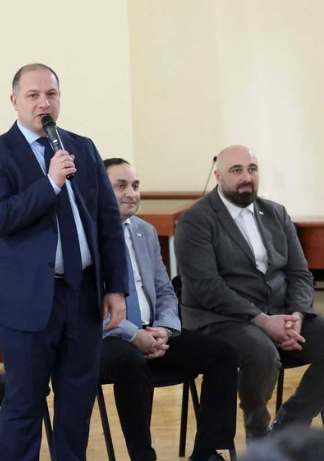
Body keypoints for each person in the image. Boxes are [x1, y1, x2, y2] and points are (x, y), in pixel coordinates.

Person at [0, 63, 129, 461]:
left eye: (51, 94)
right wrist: (50, 183)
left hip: (83, 292)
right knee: (25, 402)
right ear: (14, 101)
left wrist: (115, 287)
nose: (44, 103)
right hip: (26, 300)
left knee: (77, 401)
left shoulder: (83, 147)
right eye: (33, 95)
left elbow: (108, 221)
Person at [175, 145, 324, 441]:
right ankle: (258, 435)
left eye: (252, 169)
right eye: (236, 170)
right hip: (222, 319)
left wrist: (297, 316)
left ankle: (286, 429)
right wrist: (262, 320)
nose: (246, 177)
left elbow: (300, 273)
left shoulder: (275, 212)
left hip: (281, 313)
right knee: (261, 352)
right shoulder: (195, 220)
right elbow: (206, 287)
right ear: (218, 176)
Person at [101, 158, 237, 461]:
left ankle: (207, 453)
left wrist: (165, 329)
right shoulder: (87, 235)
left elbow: (164, 289)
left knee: (223, 354)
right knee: (130, 363)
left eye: (135, 186)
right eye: (121, 186)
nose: (131, 193)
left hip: (152, 331)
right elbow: (89, 305)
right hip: (107, 336)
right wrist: (133, 335)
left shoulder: (145, 231)